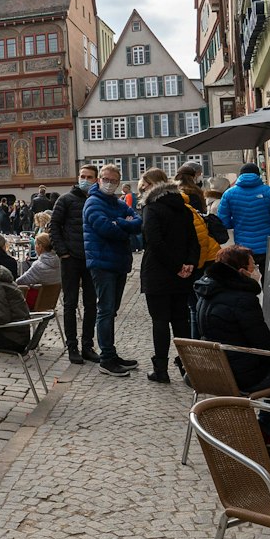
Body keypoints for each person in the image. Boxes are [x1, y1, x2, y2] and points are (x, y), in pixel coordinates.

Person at [192, 246, 270, 456]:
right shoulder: (243, 299)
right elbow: (262, 344)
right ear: (242, 271)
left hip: (210, 371)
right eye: (253, 266)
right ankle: (265, 431)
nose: (256, 270)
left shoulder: (205, 292)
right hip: (238, 374)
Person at [138, 167, 200, 384]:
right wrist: (189, 264)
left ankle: (161, 370)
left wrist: (175, 266)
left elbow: (154, 242)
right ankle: (188, 369)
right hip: (182, 273)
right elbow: (194, 239)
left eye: (144, 184)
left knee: (160, 321)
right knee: (181, 321)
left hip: (158, 272)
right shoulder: (183, 207)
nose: (141, 187)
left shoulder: (151, 208)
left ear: (151, 186)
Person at [82, 164, 144, 377]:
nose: (109, 183)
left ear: (118, 182)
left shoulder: (117, 203)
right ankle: (107, 358)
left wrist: (120, 224)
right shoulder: (93, 202)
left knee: (112, 310)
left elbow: (138, 222)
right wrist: (122, 226)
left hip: (118, 262)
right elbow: (105, 229)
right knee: (106, 310)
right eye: (105, 179)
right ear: (99, 180)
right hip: (102, 263)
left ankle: (111, 352)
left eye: (113, 181)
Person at [50, 166, 97, 363]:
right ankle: (72, 347)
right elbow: (54, 226)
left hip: (92, 259)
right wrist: (63, 252)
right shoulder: (66, 199)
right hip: (71, 258)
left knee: (91, 304)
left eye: (89, 177)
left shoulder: (97, 200)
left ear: (96, 180)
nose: (85, 180)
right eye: (82, 176)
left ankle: (88, 345)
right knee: (70, 304)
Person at [216, 163, 270, 268]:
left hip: (242, 248)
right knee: (267, 278)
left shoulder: (229, 194)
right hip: (267, 246)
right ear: (258, 175)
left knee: (246, 277)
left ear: (240, 175)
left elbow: (223, 222)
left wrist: (237, 222)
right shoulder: (269, 192)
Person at [175, 163, 221, 266]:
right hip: (198, 231)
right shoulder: (194, 193)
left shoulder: (175, 192)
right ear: (193, 176)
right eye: (199, 173)